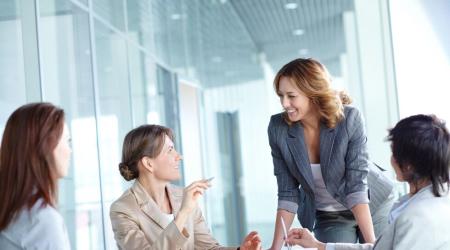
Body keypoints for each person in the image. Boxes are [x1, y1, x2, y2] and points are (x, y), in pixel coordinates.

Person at [267, 58, 394, 249]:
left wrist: (372, 246)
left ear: (312, 93)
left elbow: (356, 185)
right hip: (330, 215)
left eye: (291, 96)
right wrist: (274, 248)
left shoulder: (349, 118)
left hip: (373, 202)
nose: (285, 103)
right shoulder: (278, 128)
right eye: (281, 95)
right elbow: (287, 193)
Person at [287, 114, 450, 250]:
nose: (391, 160)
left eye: (394, 153)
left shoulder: (416, 218)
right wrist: (318, 245)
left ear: (408, 165)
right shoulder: (432, 200)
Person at [110, 124, 262, 250]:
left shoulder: (183, 196)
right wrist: (182, 214)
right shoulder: (123, 209)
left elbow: (208, 248)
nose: (179, 156)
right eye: (170, 150)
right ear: (149, 163)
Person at [0, 103, 71, 249]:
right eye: (67, 141)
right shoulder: (41, 220)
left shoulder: (11, 211)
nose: (70, 151)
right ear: (45, 147)